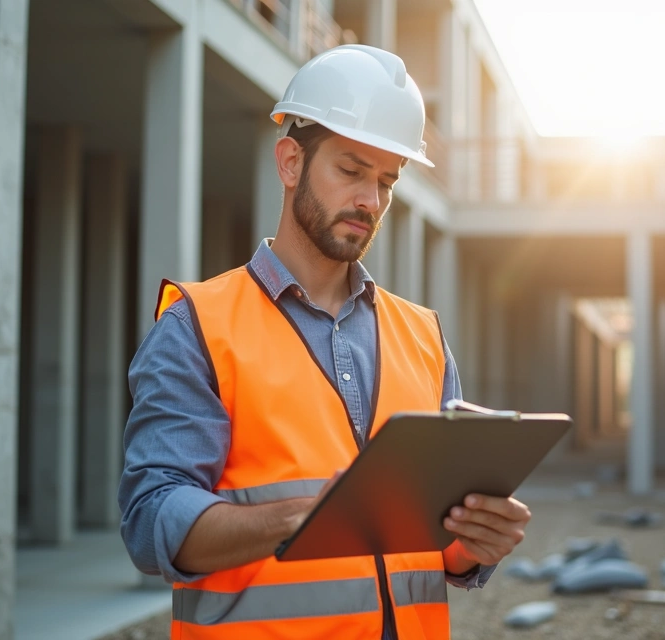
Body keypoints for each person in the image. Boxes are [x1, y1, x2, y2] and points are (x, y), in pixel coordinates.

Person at [118, 44, 532, 639]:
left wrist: (474, 543)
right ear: (290, 162)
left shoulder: (423, 336)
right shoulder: (197, 326)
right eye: (351, 170)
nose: (371, 200)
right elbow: (150, 519)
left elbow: (437, 547)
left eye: (387, 181)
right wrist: (297, 518)